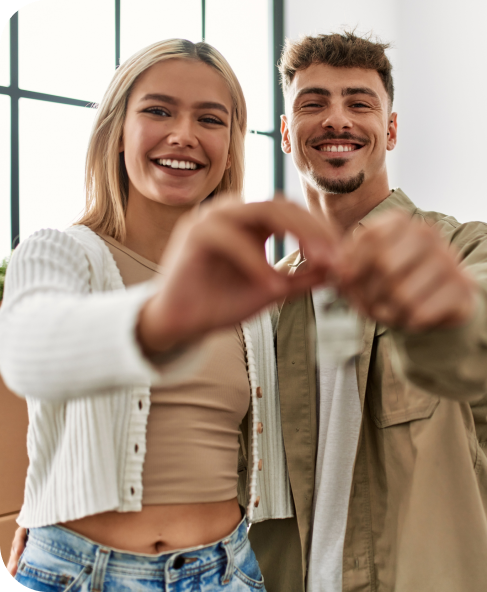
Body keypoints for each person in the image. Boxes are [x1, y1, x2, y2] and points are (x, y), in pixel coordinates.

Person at [0, 38, 336, 591]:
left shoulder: (249, 292)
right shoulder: (59, 251)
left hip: (227, 571)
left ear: (229, 145)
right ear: (117, 131)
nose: (184, 134)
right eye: (158, 110)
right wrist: (160, 319)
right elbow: (28, 351)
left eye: (210, 119)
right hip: (81, 574)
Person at [240, 31, 487, 591]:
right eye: (313, 103)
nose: (336, 120)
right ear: (285, 133)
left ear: (391, 130)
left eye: (359, 102)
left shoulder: (466, 249)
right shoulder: (266, 301)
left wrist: (442, 307)